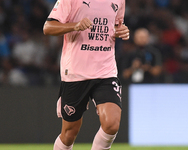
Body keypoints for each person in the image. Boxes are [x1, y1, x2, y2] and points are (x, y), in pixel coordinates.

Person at [43, 0, 129, 149]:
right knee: (69, 133)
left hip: (106, 71)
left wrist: (122, 30)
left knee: (111, 124)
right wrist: (74, 25)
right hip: (76, 73)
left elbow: (116, 26)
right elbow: (48, 27)